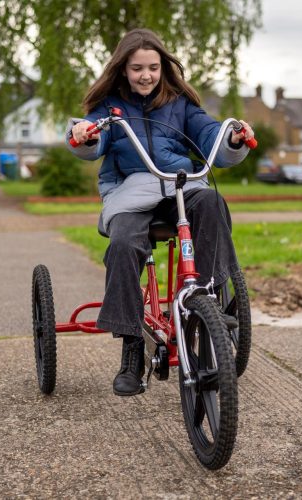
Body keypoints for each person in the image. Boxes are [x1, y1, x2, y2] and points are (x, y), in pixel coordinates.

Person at [66, 28, 254, 397]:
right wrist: (85, 135)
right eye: (137, 68)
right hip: (130, 192)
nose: (146, 75)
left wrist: (231, 138)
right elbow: (91, 137)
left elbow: (209, 135)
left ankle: (210, 296)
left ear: (163, 67)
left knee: (212, 203)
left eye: (153, 67)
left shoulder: (180, 104)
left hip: (178, 186)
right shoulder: (109, 107)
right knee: (124, 243)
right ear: (123, 70)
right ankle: (132, 347)